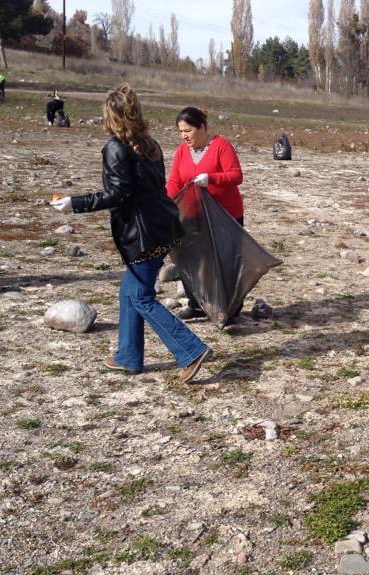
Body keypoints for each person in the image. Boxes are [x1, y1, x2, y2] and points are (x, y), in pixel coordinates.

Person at [49, 84, 212, 382]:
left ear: (110, 116)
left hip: (142, 235)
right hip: (162, 226)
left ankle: (191, 349)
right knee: (129, 293)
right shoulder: (149, 143)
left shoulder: (116, 147)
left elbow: (118, 194)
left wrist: (75, 203)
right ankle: (128, 355)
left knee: (141, 296)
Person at [165, 106, 243, 320]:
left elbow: (236, 176)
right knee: (191, 259)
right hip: (194, 216)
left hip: (225, 216)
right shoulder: (182, 151)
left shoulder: (221, 146)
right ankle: (196, 303)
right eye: (180, 131)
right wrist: (169, 202)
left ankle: (230, 308)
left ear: (202, 127)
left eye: (188, 131)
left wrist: (212, 178)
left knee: (224, 262)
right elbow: (175, 181)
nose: (184, 136)